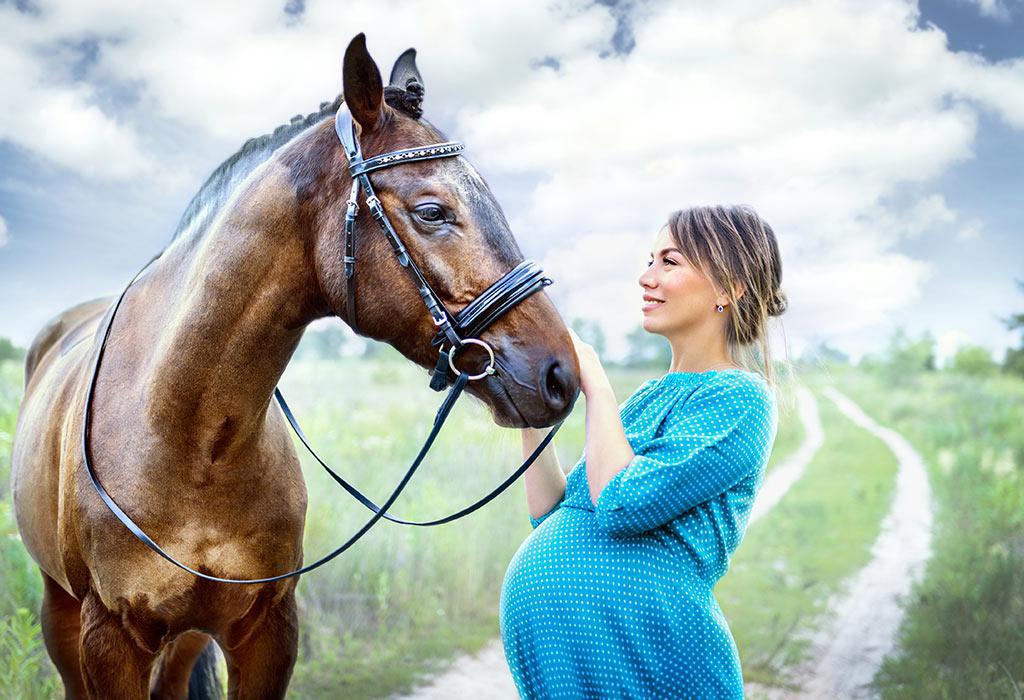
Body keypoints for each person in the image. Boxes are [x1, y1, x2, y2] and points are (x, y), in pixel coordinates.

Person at [500, 204, 789, 699]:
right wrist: (528, 416)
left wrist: (596, 383)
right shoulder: (650, 398)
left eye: (669, 262)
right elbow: (553, 514)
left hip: (655, 665)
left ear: (730, 288)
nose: (645, 277)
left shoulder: (741, 399)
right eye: (649, 259)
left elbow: (620, 503)